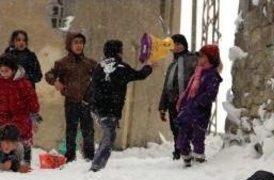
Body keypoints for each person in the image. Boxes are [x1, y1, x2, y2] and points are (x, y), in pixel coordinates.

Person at [85, 40, 153, 172]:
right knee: (109, 135)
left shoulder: (99, 66)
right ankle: (96, 167)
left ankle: (97, 164)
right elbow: (139, 75)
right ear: (118, 51)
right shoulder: (121, 67)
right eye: (121, 50)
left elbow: (92, 85)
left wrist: (90, 103)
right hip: (110, 108)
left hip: (97, 107)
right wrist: (148, 66)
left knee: (108, 134)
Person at [45, 32, 96, 162]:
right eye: (75, 42)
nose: (79, 45)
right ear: (70, 45)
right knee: (71, 131)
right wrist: (55, 82)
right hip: (71, 101)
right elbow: (49, 74)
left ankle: (90, 156)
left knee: (88, 130)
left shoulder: (89, 63)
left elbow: (99, 78)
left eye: (81, 42)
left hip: (86, 102)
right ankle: (70, 156)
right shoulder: (63, 63)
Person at [175, 44, 223, 167]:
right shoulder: (198, 73)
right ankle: (187, 158)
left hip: (200, 112)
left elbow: (210, 94)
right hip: (188, 110)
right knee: (182, 137)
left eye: (201, 55)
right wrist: (183, 104)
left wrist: (197, 103)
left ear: (209, 58)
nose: (198, 58)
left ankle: (199, 161)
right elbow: (189, 91)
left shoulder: (212, 75)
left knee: (197, 137)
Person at [158, 34, 198, 160]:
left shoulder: (192, 59)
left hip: (187, 101)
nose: (174, 47)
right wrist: (162, 106)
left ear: (183, 45)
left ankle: (189, 151)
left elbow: (199, 77)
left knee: (186, 127)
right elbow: (166, 86)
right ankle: (179, 151)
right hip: (172, 101)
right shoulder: (172, 65)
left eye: (177, 44)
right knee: (175, 128)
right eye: (173, 44)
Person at [0, 54, 39, 167]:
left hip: (21, 117)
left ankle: (25, 160)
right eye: (1, 71)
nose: (3, 73)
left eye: (6, 71)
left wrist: (34, 116)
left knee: (24, 138)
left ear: (13, 69)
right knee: (5, 139)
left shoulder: (23, 83)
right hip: (3, 116)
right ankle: (7, 160)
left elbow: (32, 100)